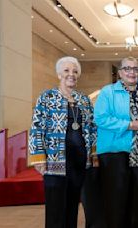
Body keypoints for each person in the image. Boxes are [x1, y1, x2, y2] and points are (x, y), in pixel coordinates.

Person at [28, 56, 97, 228]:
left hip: (79, 160)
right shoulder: (47, 97)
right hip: (54, 160)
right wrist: (38, 157)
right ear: (59, 74)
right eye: (66, 70)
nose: (71, 74)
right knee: (55, 206)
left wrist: (93, 154)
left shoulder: (84, 100)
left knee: (73, 204)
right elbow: (37, 128)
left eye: (75, 71)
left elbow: (92, 128)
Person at [94, 57, 138, 228]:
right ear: (120, 72)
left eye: (135, 69)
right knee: (116, 200)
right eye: (127, 69)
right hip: (115, 154)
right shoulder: (108, 92)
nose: (132, 72)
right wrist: (130, 125)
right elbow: (100, 118)